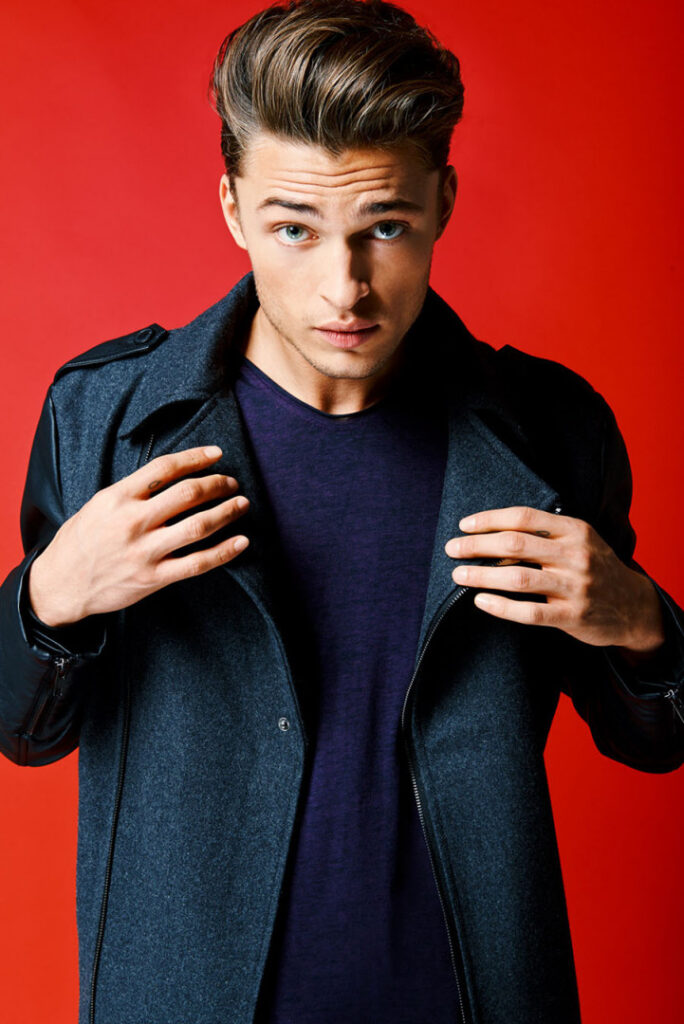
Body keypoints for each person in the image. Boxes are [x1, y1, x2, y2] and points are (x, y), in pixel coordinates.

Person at [1, 0, 682, 1021]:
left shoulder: (551, 430)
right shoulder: (104, 416)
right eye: (294, 229)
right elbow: (21, 731)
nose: (344, 288)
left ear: (443, 202)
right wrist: (49, 598)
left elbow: (655, 741)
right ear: (232, 209)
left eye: (386, 228)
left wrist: (640, 622)